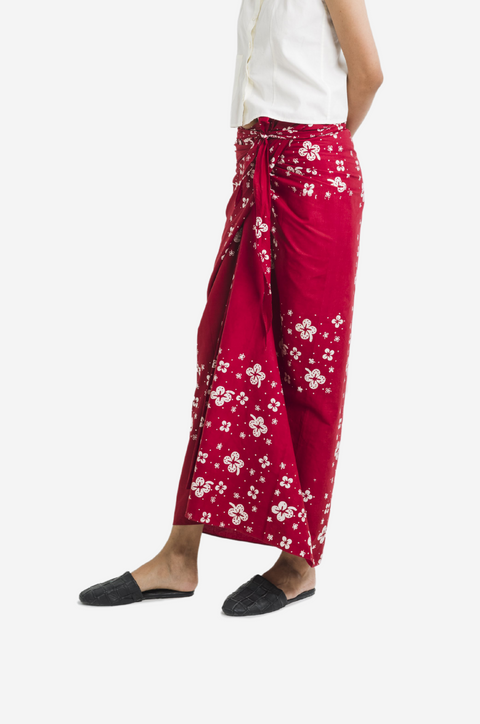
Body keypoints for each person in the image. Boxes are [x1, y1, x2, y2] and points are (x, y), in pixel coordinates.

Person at [79, 0, 383, 615]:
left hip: (313, 176)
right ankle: (179, 556)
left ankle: (298, 563)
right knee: (221, 349)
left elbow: (370, 73)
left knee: (309, 371)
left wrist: (318, 144)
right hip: (255, 168)